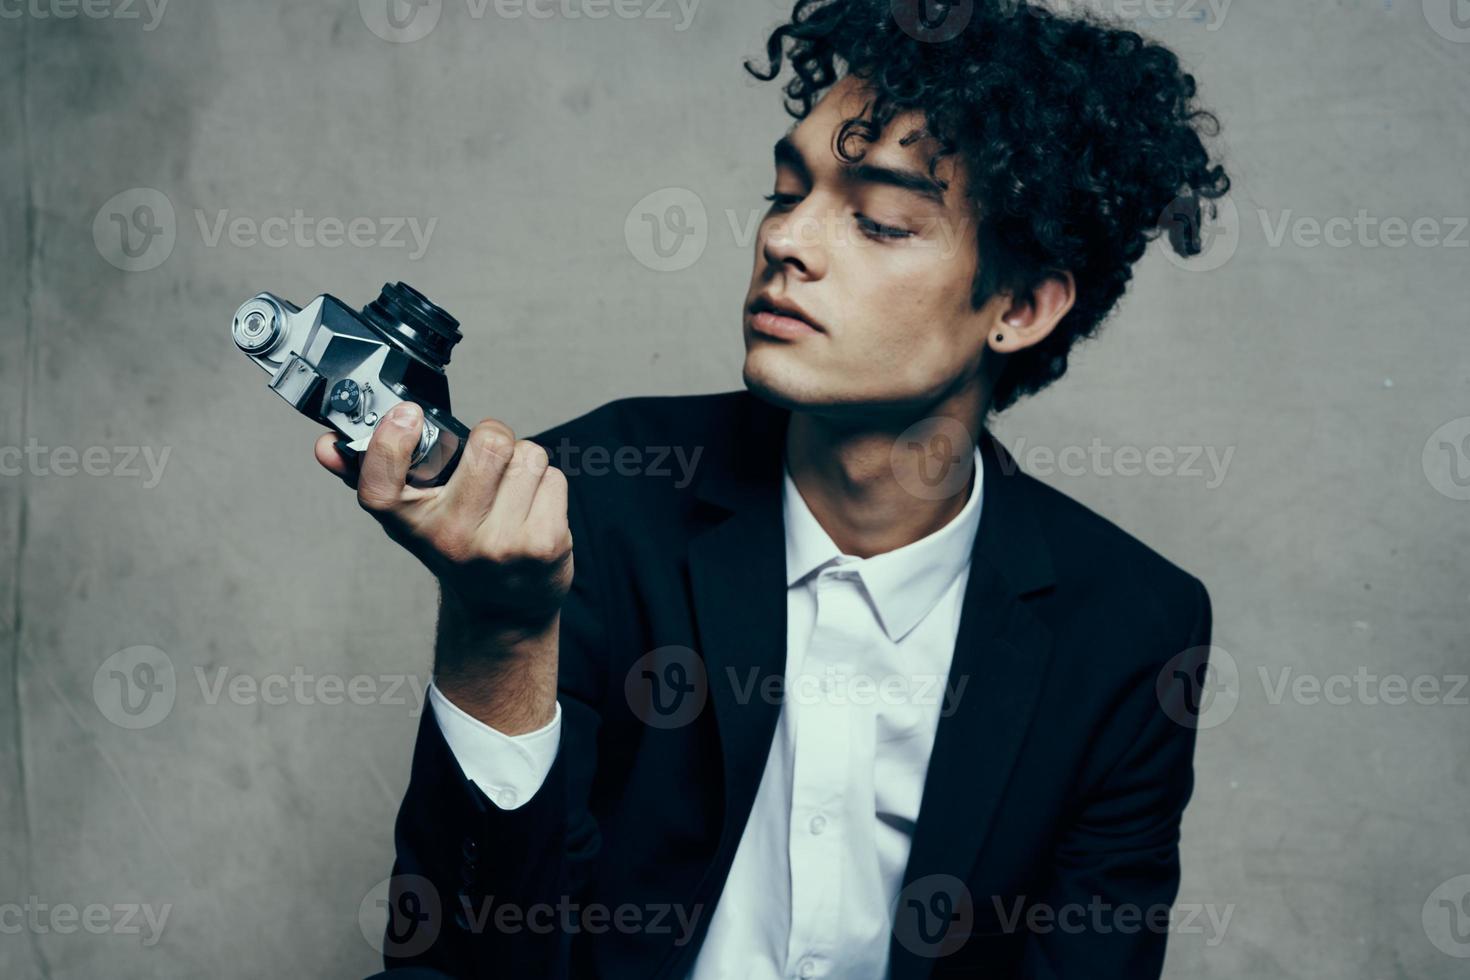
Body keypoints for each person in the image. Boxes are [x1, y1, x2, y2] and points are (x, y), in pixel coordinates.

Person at [326, 1, 1229, 976]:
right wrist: (495, 633)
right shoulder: (590, 498)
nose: (787, 240)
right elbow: (454, 960)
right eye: (782, 192)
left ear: (1019, 305)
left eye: (879, 219)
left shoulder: (1132, 626)